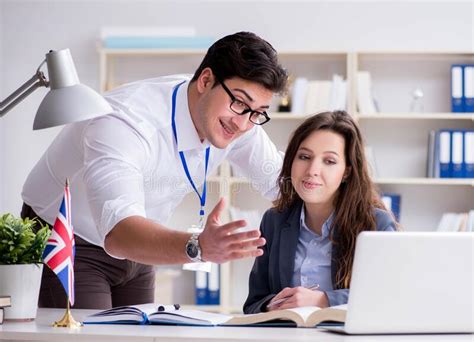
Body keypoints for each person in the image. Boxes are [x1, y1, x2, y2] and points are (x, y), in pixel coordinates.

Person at [21, 32, 288, 309]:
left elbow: (282, 183)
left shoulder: (237, 116)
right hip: (69, 239)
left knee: (141, 334)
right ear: (206, 80)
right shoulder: (126, 121)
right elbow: (119, 230)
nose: (244, 124)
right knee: (91, 337)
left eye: (257, 112)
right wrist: (199, 247)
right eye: (241, 104)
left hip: (140, 242)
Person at [244, 110, 398, 314]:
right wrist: (272, 305)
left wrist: (324, 300)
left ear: (346, 172)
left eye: (329, 161)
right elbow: (254, 303)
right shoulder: (274, 221)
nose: (312, 170)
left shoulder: (377, 224)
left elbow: (390, 295)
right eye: (304, 157)